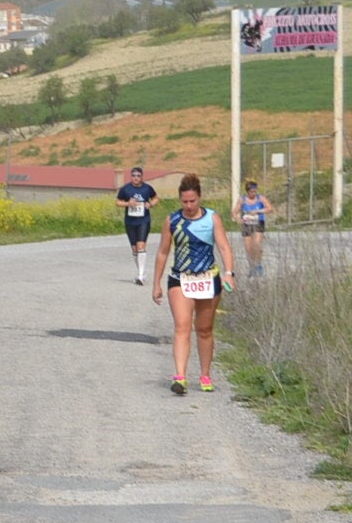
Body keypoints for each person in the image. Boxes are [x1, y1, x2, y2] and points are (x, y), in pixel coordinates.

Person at [151, 173, 235, 396]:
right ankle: (180, 376)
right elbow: (162, 252)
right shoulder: (172, 221)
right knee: (182, 325)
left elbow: (224, 247)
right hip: (181, 279)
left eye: (192, 201)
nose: (188, 206)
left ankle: (205, 374)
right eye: (184, 201)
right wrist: (156, 283)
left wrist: (229, 273)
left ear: (199, 198)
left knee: (204, 329)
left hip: (208, 278)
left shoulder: (212, 219)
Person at [116, 166, 159, 284]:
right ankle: (141, 272)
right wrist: (127, 203)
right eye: (134, 176)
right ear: (131, 176)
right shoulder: (126, 189)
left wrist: (150, 204)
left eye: (138, 176)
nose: (136, 178)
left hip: (143, 221)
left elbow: (156, 198)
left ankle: (140, 276)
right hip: (130, 221)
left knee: (141, 246)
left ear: (142, 177)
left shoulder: (147, 188)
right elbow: (118, 202)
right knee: (135, 249)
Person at [237, 181, 273, 276]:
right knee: (248, 248)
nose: (253, 193)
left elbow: (270, 209)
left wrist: (258, 211)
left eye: (255, 191)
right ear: (247, 192)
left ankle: (259, 264)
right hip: (247, 224)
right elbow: (234, 212)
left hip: (258, 222)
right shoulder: (242, 200)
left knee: (257, 245)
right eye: (251, 192)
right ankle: (251, 266)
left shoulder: (260, 198)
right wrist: (238, 219)